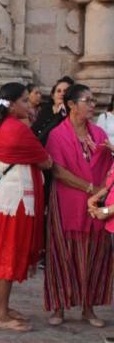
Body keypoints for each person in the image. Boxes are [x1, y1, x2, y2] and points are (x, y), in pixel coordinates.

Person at [0, 83, 53, 332]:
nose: (30, 106)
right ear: (13, 104)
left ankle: (2, 308)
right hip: (12, 202)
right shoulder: (17, 129)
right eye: (25, 102)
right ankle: (0, 314)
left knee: (3, 256)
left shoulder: (3, 126)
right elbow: (46, 161)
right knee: (6, 257)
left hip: (4, 198)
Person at [44, 84, 113, 328]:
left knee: (94, 254)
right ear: (72, 104)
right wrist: (89, 189)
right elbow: (58, 170)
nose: (93, 105)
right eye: (88, 100)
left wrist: (102, 192)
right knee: (62, 253)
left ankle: (88, 307)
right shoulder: (57, 134)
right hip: (67, 200)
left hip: (96, 204)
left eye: (94, 100)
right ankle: (59, 306)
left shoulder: (100, 135)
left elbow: (108, 169)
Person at [33, 76, 75, 142]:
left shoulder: (73, 113)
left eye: (65, 91)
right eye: (58, 91)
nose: (62, 94)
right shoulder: (45, 110)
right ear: (53, 95)